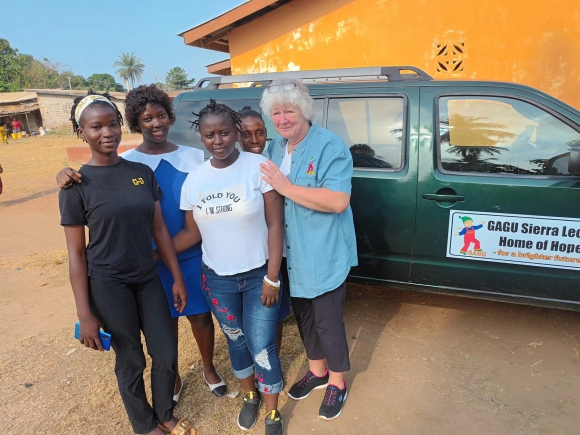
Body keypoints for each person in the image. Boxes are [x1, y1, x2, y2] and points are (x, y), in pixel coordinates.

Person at [56, 84, 226, 401]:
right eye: (147, 118)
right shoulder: (126, 161)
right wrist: (63, 175)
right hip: (145, 260)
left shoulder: (193, 157)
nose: (156, 123)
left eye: (161, 115)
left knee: (200, 315)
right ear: (135, 123)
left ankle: (208, 367)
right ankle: (172, 376)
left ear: (170, 116)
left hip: (186, 252)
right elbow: (96, 179)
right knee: (164, 321)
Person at [178, 99, 285, 435]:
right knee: (236, 341)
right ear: (201, 137)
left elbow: (276, 224)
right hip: (217, 280)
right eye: (210, 135)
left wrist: (272, 277)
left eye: (224, 133)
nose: (218, 141)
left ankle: (272, 413)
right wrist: (152, 253)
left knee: (262, 345)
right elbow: (190, 233)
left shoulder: (259, 166)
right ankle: (250, 395)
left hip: (259, 276)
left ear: (235, 131)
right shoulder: (194, 180)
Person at [259, 78, 358, 421]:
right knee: (303, 315)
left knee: (327, 320)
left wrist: (286, 187)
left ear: (304, 111)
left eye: (289, 110)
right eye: (276, 112)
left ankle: (337, 381)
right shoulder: (275, 147)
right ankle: (317, 371)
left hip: (322, 251)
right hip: (291, 253)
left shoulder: (329, 146)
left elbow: (338, 200)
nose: (283, 118)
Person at [238, 106, 291, 355]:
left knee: (273, 314)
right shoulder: (233, 168)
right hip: (244, 255)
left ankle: (271, 361)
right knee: (245, 315)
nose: (254, 140)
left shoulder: (271, 165)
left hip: (271, 254)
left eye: (259, 132)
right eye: (246, 134)